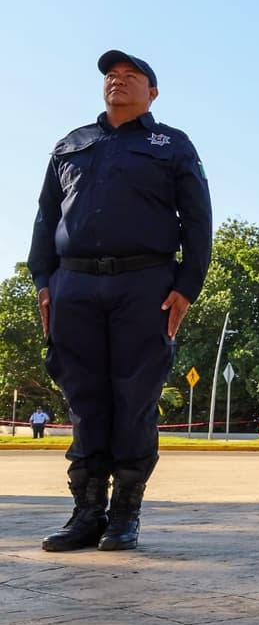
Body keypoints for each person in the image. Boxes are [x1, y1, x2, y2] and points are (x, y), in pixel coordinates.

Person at [29, 50, 212, 552]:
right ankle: (86, 513)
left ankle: (124, 515)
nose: (118, 82)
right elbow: (46, 218)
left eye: (131, 77)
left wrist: (187, 286)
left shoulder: (171, 145)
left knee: (134, 399)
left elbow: (197, 220)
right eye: (111, 76)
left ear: (152, 92)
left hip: (145, 284)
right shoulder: (72, 144)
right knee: (85, 400)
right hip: (74, 285)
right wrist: (43, 280)